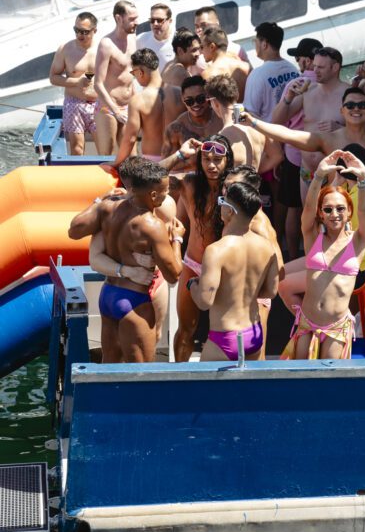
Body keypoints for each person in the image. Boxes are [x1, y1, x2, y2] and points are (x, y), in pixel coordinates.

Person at [69, 159, 184, 362]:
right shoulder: (152, 225)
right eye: (166, 191)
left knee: (109, 367)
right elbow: (174, 275)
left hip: (108, 295)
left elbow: (74, 230)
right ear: (153, 195)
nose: (168, 195)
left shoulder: (108, 207)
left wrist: (99, 199)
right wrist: (177, 238)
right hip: (135, 300)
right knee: (140, 376)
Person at [281, 150, 365, 360]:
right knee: (301, 378)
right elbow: (307, 210)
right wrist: (319, 177)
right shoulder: (313, 237)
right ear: (321, 213)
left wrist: (363, 180)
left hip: (336, 327)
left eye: (340, 208)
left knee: (330, 380)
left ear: (349, 211)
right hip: (307, 323)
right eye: (328, 209)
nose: (334, 214)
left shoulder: (358, 241)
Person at [162, 134, 234, 362]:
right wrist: (180, 155)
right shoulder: (189, 183)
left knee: (226, 333)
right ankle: (177, 382)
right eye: (206, 159)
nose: (212, 165)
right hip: (193, 265)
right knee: (186, 331)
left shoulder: (236, 189)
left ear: (228, 161)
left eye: (217, 160)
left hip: (226, 269)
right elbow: (146, 177)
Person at [189, 181, 279, 362]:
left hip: (224, 337)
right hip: (253, 333)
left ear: (229, 211)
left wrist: (192, 284)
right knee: (249, 391)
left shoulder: (217, 251)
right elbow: (271, 291)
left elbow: (204, 302)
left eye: (222, 201)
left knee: (209, 391)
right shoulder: (267, 247)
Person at [222, 165, 285, 355]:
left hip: (255, 301)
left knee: (257, 357)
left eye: (233, 186)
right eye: (225, 186)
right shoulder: (232, 215)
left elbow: (280, 270)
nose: (226, 191)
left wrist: (255, 293)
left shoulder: (259, 224)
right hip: (234, 298)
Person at [271, 46, 348, 201]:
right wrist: (288, 97)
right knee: (308, 219)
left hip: (335, 172)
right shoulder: (308, 91)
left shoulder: (348, 94)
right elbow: (276, 121)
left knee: (331, 219)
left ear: (335, 67)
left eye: (321, 67)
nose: (315, 70)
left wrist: (341, 129)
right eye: (315, 66)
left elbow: (363, 131)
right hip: (307, 170)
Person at [274, 37, 323, 260]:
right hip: (321, 155)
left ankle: (295, 257)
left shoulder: (296, 85)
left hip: (295, 154)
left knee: (294, 210)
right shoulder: (328, 85)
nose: (298, 62)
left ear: (308, 60)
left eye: (299, 57)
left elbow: (280, 120)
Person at [207, 74, 283, 172]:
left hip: (233, 187)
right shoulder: (256, 122)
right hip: (254, 186)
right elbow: (277, 155)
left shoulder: (222, 137)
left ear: (215, 102)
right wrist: (252, 175)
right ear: (236, 95)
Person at [110, 48, 172, 167]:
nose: (135, 77)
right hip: (176, 160)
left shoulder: (138, 100)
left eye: (133, 73)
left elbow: (130, 139)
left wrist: (116, 163)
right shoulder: (179, 94)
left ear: (140, 72)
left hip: (152, 163)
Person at [49, 12, 99, 155]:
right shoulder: (65, 49)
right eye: (76, 30)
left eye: (84, 31)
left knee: (105, 147)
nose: (80, 35)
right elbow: (53, 77)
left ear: (94, 30)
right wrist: (77, 81)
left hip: (98, 103)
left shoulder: (102, 49)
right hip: (73, 103)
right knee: (77, 148)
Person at [94, 0, 139, 155]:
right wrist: (115, 111)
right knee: (107, 153)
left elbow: (130, 73)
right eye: (132, 19)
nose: (136, 22)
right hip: (109, 108)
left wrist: (136, 100)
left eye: (136, 18)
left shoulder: (133, 38)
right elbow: (98, 84)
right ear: (119, 19)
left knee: (132, 157)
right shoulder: (106, 44)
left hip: (128, 106)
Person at [244, 22, 299, 121]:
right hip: (294, 132)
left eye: (255, 41)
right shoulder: (293, 69)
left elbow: (249, 114)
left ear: (264, 44)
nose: (255, 45)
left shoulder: (257, 75)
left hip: (268, 134)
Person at [161, 76, 223, 165]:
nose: (195, 104)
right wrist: (184, 158)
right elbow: (166, 166)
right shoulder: (175, 129)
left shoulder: (222, 120)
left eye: (200, 99)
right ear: (183, 100)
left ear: (208, 96)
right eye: (189, 101)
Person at [201, 27, 250, 100]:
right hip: (246, 110)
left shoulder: (208, 73)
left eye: (202, 47)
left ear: (212, 47)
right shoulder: (245, 66)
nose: (201, 51)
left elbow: (212, 104)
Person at [136, 3, 175, 73]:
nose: (155, 24)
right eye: (152, 20)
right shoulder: (141, 40)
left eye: (159, 20)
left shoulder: (179, 40)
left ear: (170, 21)